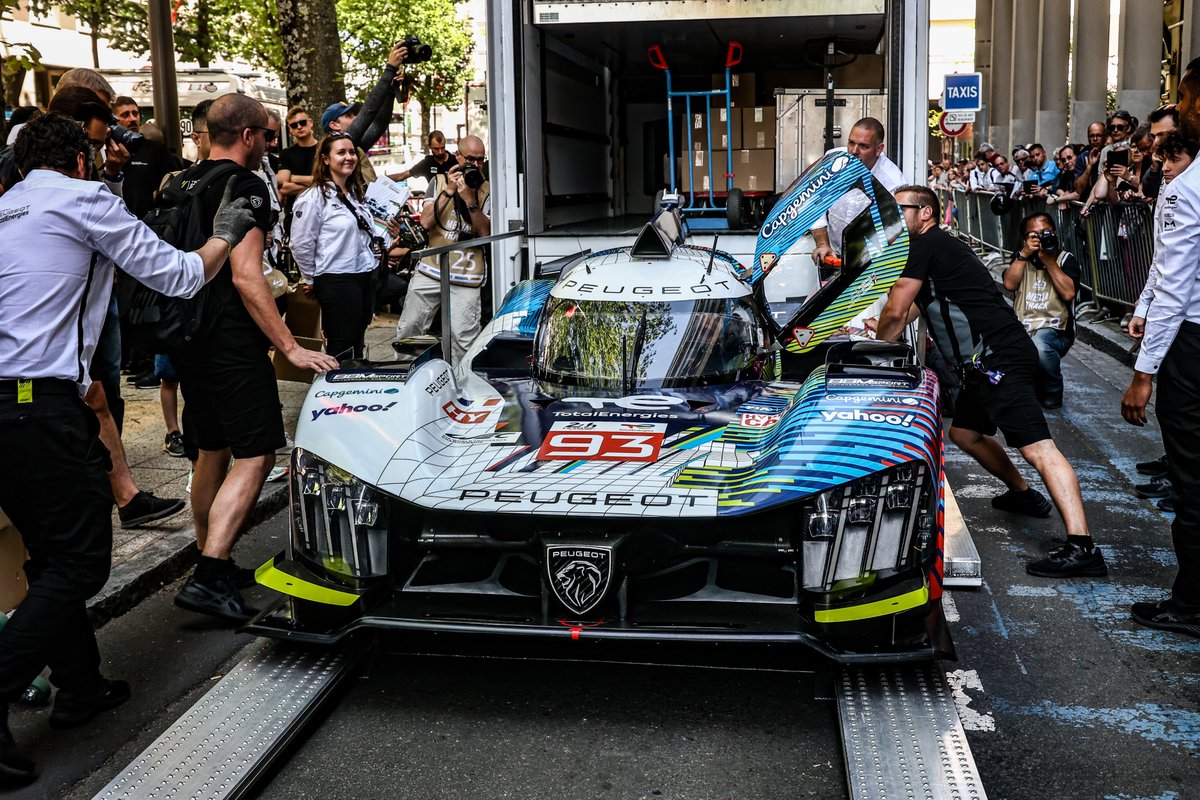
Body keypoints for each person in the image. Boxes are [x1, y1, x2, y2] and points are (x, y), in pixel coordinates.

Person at [0, 111, 257, 788]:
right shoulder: (84, 199)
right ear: (82, 161)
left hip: (10, 408)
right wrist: (225, 236)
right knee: (81, 564)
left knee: (50, 552)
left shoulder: (6, 208)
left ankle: (81, 687)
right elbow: (176, 275)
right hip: (37, 406)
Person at [169, 94, 341, 623]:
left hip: (186, 338)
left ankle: (208, 556)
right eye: (266, 135)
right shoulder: (244, 186)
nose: (270, 143)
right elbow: (246, 275)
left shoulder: (179, 182)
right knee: (258, 453)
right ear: (247, 136)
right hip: (229, 341)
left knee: (212, 450)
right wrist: (290, 347)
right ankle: (210, 572)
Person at [875, 184, 1106, 578]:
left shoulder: (924, 245)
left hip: (999, 356)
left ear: (926, 213)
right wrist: (878, 330)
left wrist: (875, 348)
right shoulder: (936, 248)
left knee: (1039, 448)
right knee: (965, 433)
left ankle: (1083, 546)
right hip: (986, 361)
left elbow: (897, 307)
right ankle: (1023, 495)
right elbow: (919, 305)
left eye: (901, 209)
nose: (893, 217)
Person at [45, 84, 187, 529]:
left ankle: (122, 496)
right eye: (97, 136)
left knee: (101, 395)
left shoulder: (82, 174)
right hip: (55, 307)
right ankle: (99, 494)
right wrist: (215, 249)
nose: (107, 143)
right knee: (78, 399)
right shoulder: (37, 163)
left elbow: (104, 219)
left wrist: (112, 177)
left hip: (89, 296)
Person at [1121, 59, 1200, 639]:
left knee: (1191, 475)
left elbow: (1177, 281)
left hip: (1192, 345)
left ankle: (1192, 599)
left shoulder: (1189, 184)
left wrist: (1143, 373)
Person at [1124, 130, 1199, 510]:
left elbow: (1177, 285)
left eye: (1174, 159)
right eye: (1161, 158)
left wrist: (1143, 372)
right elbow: (1163, 261)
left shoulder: (1184, 192)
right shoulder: (1174, 189)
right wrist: (1143, 307)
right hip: (1184, 322)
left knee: (1185, 427)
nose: (1166, 168)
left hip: (1191, 332)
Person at [291, 134, 393, 361]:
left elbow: (367, 238)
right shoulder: (314, 197)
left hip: (364, 276)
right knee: (341, 345)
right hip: (337, 279)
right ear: (326, 159)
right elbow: (300, 244)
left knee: (357, 340)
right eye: (341, 153)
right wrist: (313, 279)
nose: (349, 157)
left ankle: (355, 386)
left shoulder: (357, 194)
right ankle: (335, 392)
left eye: (351, 152)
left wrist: (388, 236)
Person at [395, 134, 491, 363]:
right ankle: (405, 379)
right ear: (458, 156)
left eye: (480, 160)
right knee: (410, 328)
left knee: (463, 338)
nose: (476, 165)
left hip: (467, 273)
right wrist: (449, 190)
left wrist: (470, 200)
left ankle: (462, 388)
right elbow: (427, 223)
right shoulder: (438, 182)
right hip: (432, 268)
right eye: (470, 159)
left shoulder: (488, 188)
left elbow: (484, 233)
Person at [1003, 212, 1081, 409]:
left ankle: (1053, 389)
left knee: (1039, 346)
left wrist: (1049, 261)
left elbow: (1069, 293)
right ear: (1026, 238)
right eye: (1035, 235)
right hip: (1023, 326)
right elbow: (1009, 284)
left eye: (1047, 233)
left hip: (1056, 329)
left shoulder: (1065, 260)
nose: (1043, 238)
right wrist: (1023, 255)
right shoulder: (1021, 258)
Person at [809, 117, 907, 266]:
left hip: (871, 262)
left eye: (863, 146)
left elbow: (897, 229)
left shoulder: (893, 182)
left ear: (879, 149)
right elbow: (815, 200)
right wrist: (822, 244)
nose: (854, 151)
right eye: (851, 143)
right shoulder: (833, 161)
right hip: (833, 255)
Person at [321, 41, 409, 183]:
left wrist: (391, 91)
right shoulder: (337, 142)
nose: (356, 118)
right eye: (348, 116)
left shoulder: (352, 146)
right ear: (334, 125)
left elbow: (379, 124)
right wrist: (390, 69)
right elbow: (368, 112)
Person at [276, 105, 319, 208]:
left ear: (311, 122)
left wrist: (294, 178)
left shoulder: (325, 149)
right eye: (294, 125)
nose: (299, 127)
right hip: (294, 212)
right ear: (290, 129)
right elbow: (284, 186)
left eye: (303, 123)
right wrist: (316, 183)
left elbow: (329, 182)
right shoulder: (286, 153)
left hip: (322, 209)